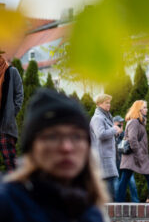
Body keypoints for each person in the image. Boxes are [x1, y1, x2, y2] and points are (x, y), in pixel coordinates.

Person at [0, 88, 107, 221]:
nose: (66, 147)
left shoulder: (91, 212)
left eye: (76, 136)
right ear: (31, 147)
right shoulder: (7, 205)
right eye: (52, 136)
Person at [116, 100, 149, 203]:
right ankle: (118, 202)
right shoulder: (134, 122)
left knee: (148, 178)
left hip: (136, 156)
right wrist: (140, 155)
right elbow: (132, 140)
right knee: (125, 179)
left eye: (146, 107)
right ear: (139, 109)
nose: (147, 109)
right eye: (145, 107)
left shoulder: (139, 122)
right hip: (134, 156)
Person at [89, 94, 122, 200]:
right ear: (99, 104)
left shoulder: (106, 116)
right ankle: (109, 214)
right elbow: (101, 134)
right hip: (103, 158)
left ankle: (109, 213)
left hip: (108, 157)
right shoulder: (98, 118)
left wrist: (115, 132)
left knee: (111, 189)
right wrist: (114, 129)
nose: (109, 104)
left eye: (109, 102)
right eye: (106, 102)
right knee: (109, 193)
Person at [0, 52, 24, 171]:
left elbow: (19, 94)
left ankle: (16, 188)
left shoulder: (11, 72)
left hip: (5, 125)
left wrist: (11, 113)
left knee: (11, 163)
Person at [113, 115, 139, 202]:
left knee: (132, 183)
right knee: (117, 185)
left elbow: (127, 147)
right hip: (115, 164)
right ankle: (118, 204)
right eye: (119, 123)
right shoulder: (110, 135)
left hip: (125, 164)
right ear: (114, 124)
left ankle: (136, 203)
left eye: (122, 123)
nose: (121, 124)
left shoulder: (125, 134)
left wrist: (121, 135)